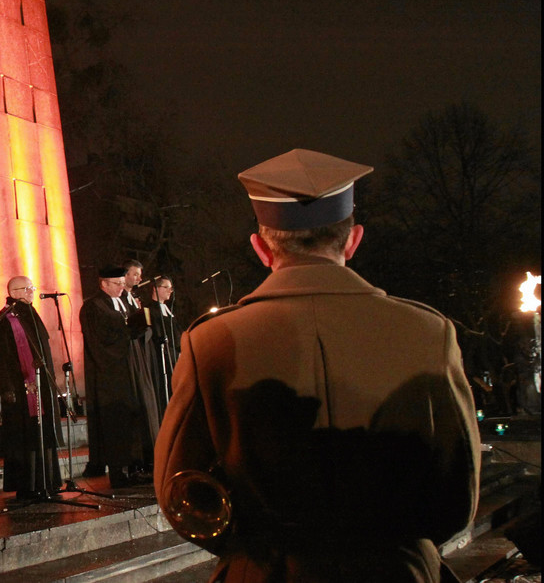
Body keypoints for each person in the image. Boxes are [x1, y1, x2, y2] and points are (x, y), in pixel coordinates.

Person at [155, 149, 481, 582]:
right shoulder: (427, 332)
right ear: (353, 239)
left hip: (265, 570)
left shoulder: (210, 342)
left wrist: (253, 547)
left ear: (260, 247)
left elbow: (180, 492)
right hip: (395, 570)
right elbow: (458, 495)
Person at [80, 266, 159, 489]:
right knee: (117, 420)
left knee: (134, 415)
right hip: (111, 374)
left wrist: (137, 328)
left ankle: (136, 466)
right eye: (117, 283)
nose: (121, 287)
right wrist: (126, 333)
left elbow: (127, 329)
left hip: (130, 368)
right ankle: (119, 472)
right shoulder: (93, 306)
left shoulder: (123, 302)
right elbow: (99, 340)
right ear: (104, 283)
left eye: (123, 283)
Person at [0, 276, 63, 500]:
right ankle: (29, 485)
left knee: (43, 432)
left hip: (42, 386)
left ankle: (48, 481)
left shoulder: (30, 313)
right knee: (26, 436)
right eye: (27, 288)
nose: (32, 292)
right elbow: (0, 359)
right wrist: (7, 388)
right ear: (14, 291)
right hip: (21, 390)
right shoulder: (5, 320)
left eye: (32, 287)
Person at [142, 274, 179, 420]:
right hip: (160, 357)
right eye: (166, 287)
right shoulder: (149, 309)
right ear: (155, 289)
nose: (170, 291)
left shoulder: (167, 309)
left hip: (173, 355)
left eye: (171, 288)